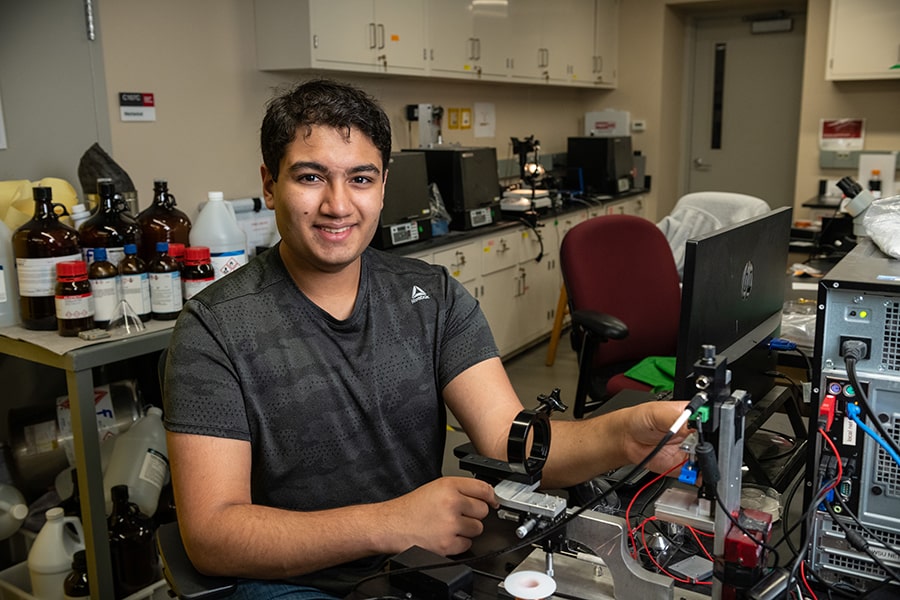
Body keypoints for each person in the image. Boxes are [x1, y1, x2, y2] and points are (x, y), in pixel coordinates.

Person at [163, 78, 691, 600]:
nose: (338, 205)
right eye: (310, 177)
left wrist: (622, 434)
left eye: (361, 179)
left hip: (416, 565)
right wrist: (390, 522)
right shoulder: (215, 328)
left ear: (384, 184)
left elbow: (511, 435)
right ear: (269, 183)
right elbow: (213, 534)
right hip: (297, 584)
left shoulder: (430, 296)